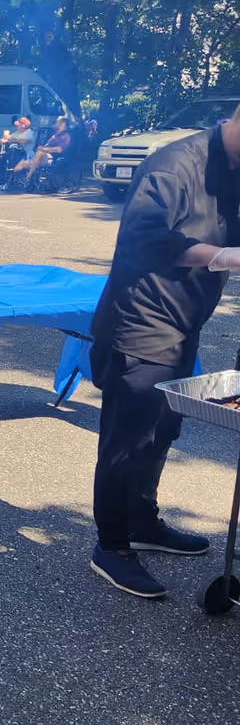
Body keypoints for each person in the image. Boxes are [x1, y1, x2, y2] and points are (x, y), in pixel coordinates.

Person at [88, 100, 240, 598]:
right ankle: (111, 547)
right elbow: (141, 238)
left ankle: (141, 520)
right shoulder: (175, 164)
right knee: (127, 437)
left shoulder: (233, 167)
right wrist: (219, 255)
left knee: (162, 427)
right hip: (141, 319)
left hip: (185, 320)